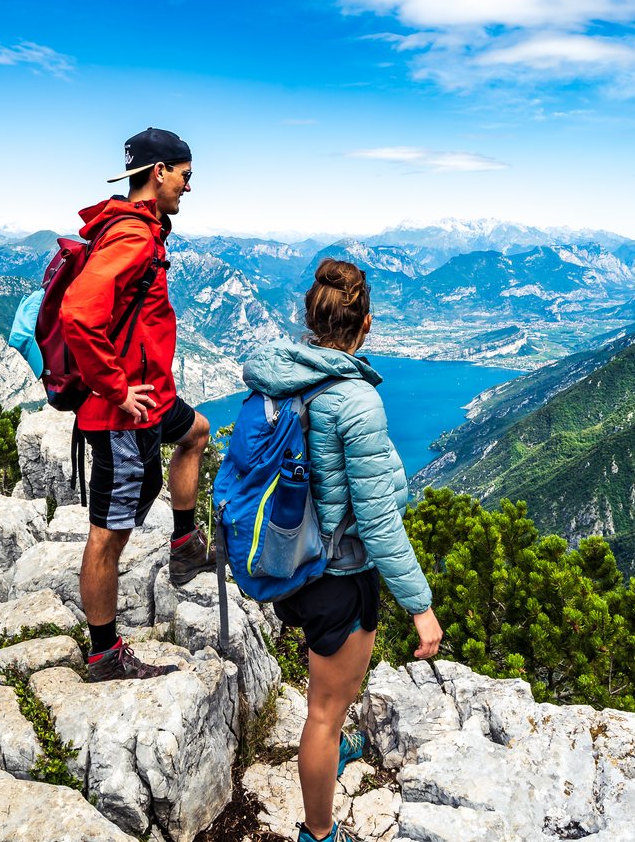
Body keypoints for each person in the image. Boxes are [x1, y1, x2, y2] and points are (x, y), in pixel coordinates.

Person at [241, 258, 443, 842]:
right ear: (367, 324)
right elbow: (378, 521)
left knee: (330, 694)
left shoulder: (285, 377)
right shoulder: (355, 401)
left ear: (312, 321)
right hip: (339, 573)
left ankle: (336, 749)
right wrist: (419, 605)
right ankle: (320, 832)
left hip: (296, 561)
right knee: (322, 713)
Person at [62, 127, 216, 681]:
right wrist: (114, 386)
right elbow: (79, 312)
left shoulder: (141, 231)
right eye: (185, 175)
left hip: (152, 403)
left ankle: (183, 546)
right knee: (109, 534)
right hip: (122, 413)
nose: (188, 187)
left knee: (196, 431)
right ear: (159, 172)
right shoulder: (130, 236)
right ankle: (104, 654)